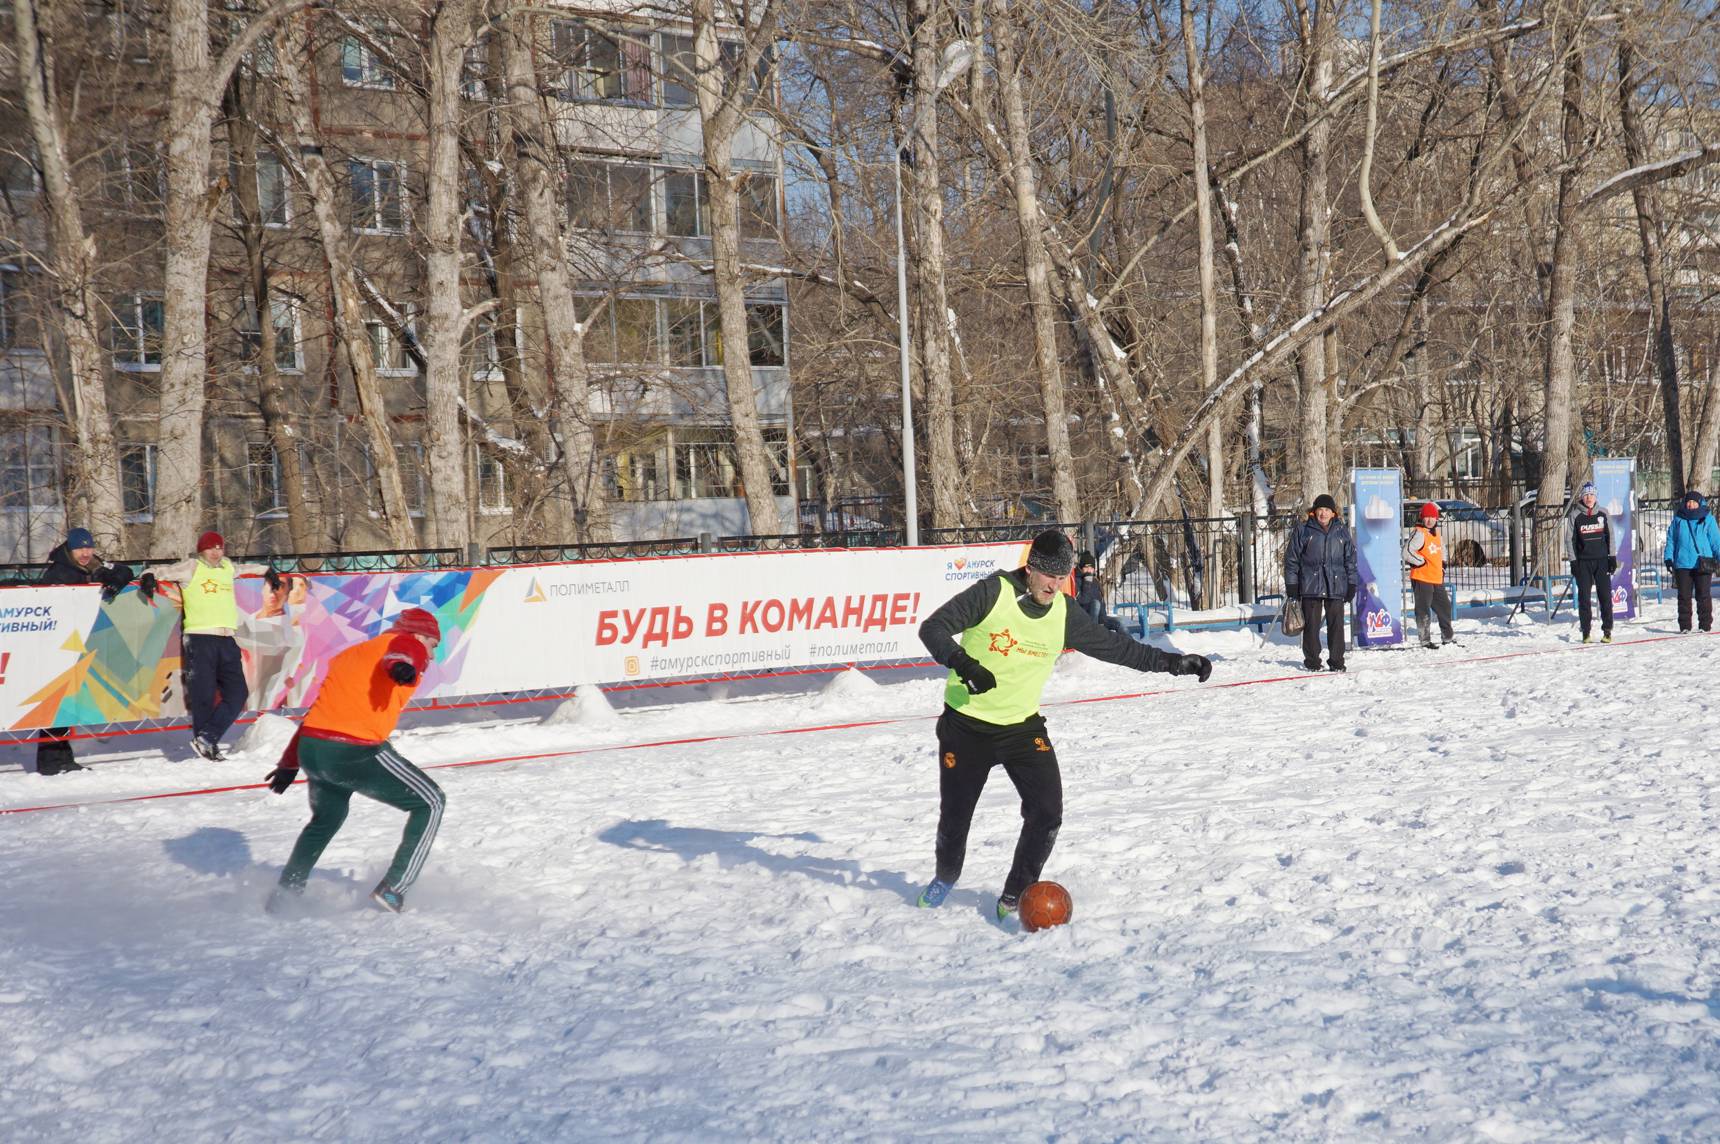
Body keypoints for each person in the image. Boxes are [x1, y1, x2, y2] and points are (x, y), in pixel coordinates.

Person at [914, 530, 1212, 922]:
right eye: (1048, 576)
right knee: (956, 819)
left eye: (1062, 577)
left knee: (1047, 812)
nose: (1054, 585)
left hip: (1021, 727)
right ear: (1031, 568)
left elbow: (1116, 648)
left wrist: (1172, 663)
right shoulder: (994, 593)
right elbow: (932, 628)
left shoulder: (1064, 612)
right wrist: (965, 664)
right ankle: (945, 878)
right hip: (966, 726)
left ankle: (1013, 897)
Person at [265, 608, 447, 914]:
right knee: (432, 802)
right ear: (420, 635)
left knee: (325, 821)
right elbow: (404, 652)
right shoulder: (407, 642)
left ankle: (286, 893)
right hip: (351, 750)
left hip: (313, 748)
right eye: (433, 644)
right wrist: (402, 666)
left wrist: (289, 763)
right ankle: (393, 890)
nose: (432, 653)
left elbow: (318, 713)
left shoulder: (354, 655)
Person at [33, 528, 152, 775]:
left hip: (79, 642)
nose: (86, 553)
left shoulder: (92, 566)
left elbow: (124, 570)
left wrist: (115, 580)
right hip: (57, 643)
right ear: (70, 549)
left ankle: (62, 757)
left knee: (66, 702)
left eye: (89, 548)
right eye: (80, 549)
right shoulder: (59, 571)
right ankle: (49, 761)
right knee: (56, 701)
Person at [154, 531, 282, 760]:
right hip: (199, 637)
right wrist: (147, 575)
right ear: (201, 550)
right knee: (203, 694)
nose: (215, 552)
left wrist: (267, 571)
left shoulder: (227, 568)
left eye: (219, 548)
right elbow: (161, 572)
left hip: (226, 638)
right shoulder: (191, 567)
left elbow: (247, 568)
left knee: (238, 692)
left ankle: (207, 736)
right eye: (210, 548)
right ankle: (206, 745)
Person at [1285, 493, 1359, 672]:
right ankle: (1312, 661)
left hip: (1336, 585)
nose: (1323, 514)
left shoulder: (1342, 531)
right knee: (1311, 626)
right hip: (1311, 585)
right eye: (1320, 510)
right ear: (1314, 512)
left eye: (1327, 510)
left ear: (1333, 513)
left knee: (1336, 626)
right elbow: (1291, 560)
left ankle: (1337, 661)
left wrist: (1352, 584)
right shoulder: (1303, 530)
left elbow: (1350, 560)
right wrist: (1292, 585)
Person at [1663, 489, 1720, 634]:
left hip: (1703, 563)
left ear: (1699, 503)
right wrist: (1668, 558)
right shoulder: (1678, 519)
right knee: (1684, 597)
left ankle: (1705, 625)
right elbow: (1671, 540)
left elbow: (1716, 542)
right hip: (1682, 563)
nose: (1690, 505)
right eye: (1688, 502)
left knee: (1703, 595)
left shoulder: (1708, 519)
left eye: (1694, 502)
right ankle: (1685, 626)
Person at [1568, 482, 1616, 644]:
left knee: (1604, 596)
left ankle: (1607, 630)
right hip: (1583, 562)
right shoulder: (1575, 515)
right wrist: (1573, 561)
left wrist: (1612, 557)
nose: (1589, 498)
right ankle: (1586, 632)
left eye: (1592, 495)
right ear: (1582, 497)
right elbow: (1570, 540)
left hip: (1601, 561)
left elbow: (1610, 537)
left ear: (1596, 497)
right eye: (1586, 495)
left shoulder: (1603, 513)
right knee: (1584, 598)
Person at [1404, 503, 1455, 649]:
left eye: (1432, 517)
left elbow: (1443, 552)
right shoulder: (1419, 533)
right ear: (1422, 517)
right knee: (1423, 610)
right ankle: (1425, 641)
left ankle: (1448, 638)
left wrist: (1443, 568)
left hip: (1436, 578)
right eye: (1427, 516)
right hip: (1422, 578)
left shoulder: (1437, 533)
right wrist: (1420, 562)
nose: (1429, 520)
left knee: (1444, 607)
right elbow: (1406, 552)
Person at [1074, 550, 1132, 639]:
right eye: (1086, 567)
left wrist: (1103, 619)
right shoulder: (1076, 581)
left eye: (1091, 568)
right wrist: (1086, 583)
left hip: (1100, 618)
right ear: (1081, 568)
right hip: (1085, 620)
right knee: (1095, 603)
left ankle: (1131, 645)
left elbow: (1102, 603)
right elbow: (1082, 601)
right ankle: (1093, 635)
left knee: (1120, 623)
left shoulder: (1095, 581)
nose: (1089, 570)